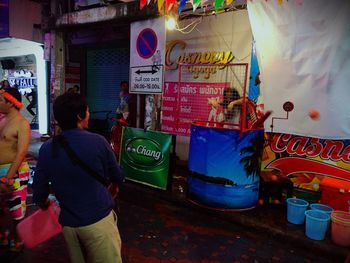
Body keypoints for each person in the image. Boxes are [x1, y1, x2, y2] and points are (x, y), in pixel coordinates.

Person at [32, 92, 123, 263]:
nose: (88, 115)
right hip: (98, 222)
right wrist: (115, 186)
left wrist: (44, 203)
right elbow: (117, 175)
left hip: (69, 225)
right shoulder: (98, 141)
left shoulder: (46, 148)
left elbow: (39, 191)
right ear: (80, 116)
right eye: (87, 111)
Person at [0, 88, 31, 251]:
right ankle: (3, 234)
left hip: (16, 172)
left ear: (10, 103)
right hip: (1, 171)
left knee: (17, 210)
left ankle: (17, 238)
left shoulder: (22, 123)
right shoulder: (2, 120)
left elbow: (21, 153)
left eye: (0, 100)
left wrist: (8, 177)